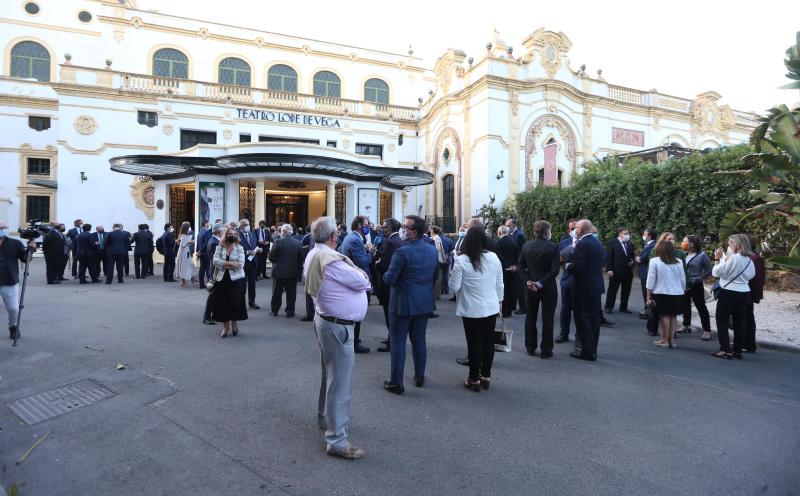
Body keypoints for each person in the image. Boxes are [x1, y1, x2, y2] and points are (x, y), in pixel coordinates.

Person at [305, 217, 370, 460]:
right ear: (334, 237)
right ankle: (337, 440)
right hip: (337, 326)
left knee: (330, 376)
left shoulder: (315, 254)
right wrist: (359, 270)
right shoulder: (331, 261)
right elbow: (363, 281)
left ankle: (326, 419)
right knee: (339, 383)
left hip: (327, 321)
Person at [382, 215, 439, 394]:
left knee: (398, 341)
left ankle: (396, 382)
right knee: (419, 339)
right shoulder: (432, 250)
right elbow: (435, 276)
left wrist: (384, 273)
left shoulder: (403, 252)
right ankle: (419, 376)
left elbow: (389, 278)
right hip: (423, 302)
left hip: (402, 302)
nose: (403, 229)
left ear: (414, 232)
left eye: (406, 227)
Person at [449, 226, 503, 392]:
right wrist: (500, 301)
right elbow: (499, 283)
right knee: (488, 342)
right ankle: (486, 375)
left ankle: (473, 378)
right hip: (491, 305)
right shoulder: (493, 257)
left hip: (471, 307)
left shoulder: (462, 260)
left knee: (474, 343)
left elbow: (453, 286)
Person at [518, 220, 560, 358]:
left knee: (530, 317)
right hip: (548, 287)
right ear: (547, 232)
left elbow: (520, 267)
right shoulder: (553, 247)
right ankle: (546, 350)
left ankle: (530, 346)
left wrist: (528, 281)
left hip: (530, 287)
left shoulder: (526, 245)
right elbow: (554, 271)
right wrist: (541, 282)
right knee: (548, 319)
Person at [711, 234, 756, 359]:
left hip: (729, 291)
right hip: (744, 291)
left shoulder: (735, 258)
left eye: (730, 244)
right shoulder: (749, 259)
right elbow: (752, 275)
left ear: (735, 245)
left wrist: (717, 259)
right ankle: (738, 350)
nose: (728, 247)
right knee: (740, 321)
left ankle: (725, 349)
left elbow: (716, 271)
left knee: (722, 320)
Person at [566, 219, 605, 361]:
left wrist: (568, 266)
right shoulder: (597, 242)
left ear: (580, 230)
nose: (574, 230)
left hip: (583, 287)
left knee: (582, 318)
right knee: (593, 318)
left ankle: (586, 351)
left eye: (576, 228)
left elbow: (579, 268)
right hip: (595, 285)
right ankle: (592, 348)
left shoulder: (582, 243)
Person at [339, 215, 375, 353]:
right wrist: (370, 253)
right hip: (356, 281)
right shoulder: (354, 239)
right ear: (360, 226)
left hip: (351, 279)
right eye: (367, 224)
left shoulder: (352, 237)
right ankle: (354, 342)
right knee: (357, 314)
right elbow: (361, 262)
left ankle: (353, 339)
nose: (368, 226)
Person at [645, 233, 687, 348]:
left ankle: (664, 340)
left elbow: (650, 280)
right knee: (673, 316)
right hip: (677, 293)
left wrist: (649, 295)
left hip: (661, 292)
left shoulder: (655, 261)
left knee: (663, 316)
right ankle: (672, 341)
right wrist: (682, 290)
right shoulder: (678, 261)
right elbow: (683, 279)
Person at [0, 220, 37, 339]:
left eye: (4, 227)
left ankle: (13, 326)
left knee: (13, 308)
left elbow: (25, 259)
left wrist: (31, 249)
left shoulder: (14, 243)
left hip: (9, 280)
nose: (2, 230)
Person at [211, 227, 247, 337]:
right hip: (221, 279)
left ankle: (234, 323)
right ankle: (225, 327)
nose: (233, 236)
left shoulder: (239, 248)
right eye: (230, 234)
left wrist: (224, 264)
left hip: (236, 280)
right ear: (225, 235)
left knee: (235, 303)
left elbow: (240, 264)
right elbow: (215, 262)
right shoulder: (219, 247)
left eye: (234, 234)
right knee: (222, 303)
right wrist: (231, 263)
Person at [375, 218, 404, 352]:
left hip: (388, 284)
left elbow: (385, 265)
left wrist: (377, 263)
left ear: (391, 228)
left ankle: (392, 342)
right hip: (393, 283)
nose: (382, 229)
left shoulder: (391, 242)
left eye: (384, 227)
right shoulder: (396, 240)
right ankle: (391, 338)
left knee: (389, 314)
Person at [679, 235, 712, 338]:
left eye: (685, 241)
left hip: (696, 285)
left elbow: (709, 270)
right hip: (684, 284)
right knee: (685, 305)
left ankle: (707, 331)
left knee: (701, 307)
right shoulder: (683, 254)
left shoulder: (702, 255)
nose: (682, 243)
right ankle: (686, 325)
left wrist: (700, 278)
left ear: (692, 244)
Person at [268, 224, 303, 317]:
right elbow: (301, 258)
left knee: (276, 292)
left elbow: (271, 257)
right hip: (292, 272)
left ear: (283, 232)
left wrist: (277, 262)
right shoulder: (297, 242)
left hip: (279, 271)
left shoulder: (277, 241)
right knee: (291, 293)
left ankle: (274, 310)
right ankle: (290, 311)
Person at [604, 228, 636, 314]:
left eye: (628, 233)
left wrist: (633, 262)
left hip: (628, 271)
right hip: (615, 271)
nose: (627, 235)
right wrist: (609, 269)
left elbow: (632, 256)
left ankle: (623, 307)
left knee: (626, 291)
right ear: (620, 234)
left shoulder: (630, 244)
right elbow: (609, 257)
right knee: (612, 290)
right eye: (626, 233)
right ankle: (609, 306)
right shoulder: (612, 243)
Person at [744, 235, 765, 353]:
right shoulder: (750, 257)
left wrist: (755, 296)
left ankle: (749, 344)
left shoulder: (754, 258)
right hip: (746, 292)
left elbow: (757, 280)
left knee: (747, 318)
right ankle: (744, 342)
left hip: (748, 293)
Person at [557, 229, 578, 343]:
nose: (574, 231)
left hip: (580, 282)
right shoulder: (564, 242)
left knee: (579, 310)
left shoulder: (586, 242)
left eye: (576, 228)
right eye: (572, 229)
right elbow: (559, 261)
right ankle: (563, 333)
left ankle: (578, 336)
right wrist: (560, 261)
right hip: (566, 280)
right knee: (565, 309)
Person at [236, 219, 261, 308]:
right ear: (241, 225)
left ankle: (252, 302)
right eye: (246, 224)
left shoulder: (252, 234)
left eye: (249, 224)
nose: (248, 226)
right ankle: (240, 302)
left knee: (252, 284)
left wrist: (258, 249)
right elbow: (235, 249)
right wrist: (247, 252)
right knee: (242, 284)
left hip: (253, 263)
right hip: (243, 263)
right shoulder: (237, 235)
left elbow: (255, 245)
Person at [496, 226, 519, 318]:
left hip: (503, 269)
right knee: (511, 289)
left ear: (500, 233)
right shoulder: (513, 241)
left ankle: (504, 311)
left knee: (504, 290)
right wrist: (514, 265)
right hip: (513, 269)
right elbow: (517, 255)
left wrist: (506, 266)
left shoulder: (498, 243)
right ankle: (510, 309)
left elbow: (499, 256)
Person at [203, 224, 224, 325]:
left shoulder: (214, 240)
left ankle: (212, 315)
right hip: (216, 271)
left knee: (215, 295)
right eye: (223, 231)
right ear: (219, 232)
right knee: (213, 295)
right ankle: (207, 317)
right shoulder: (215, 243)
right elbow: (218, 259)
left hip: (215, 270)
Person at [505, 218, 526, 314]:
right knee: (512, 287)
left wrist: (517, 265)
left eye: (508, 226)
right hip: (511, 264)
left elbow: (520, 252)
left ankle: (523, 307)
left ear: (513, 226)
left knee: (519, 287)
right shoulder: (510, 234)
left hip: (518, 265)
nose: (507, 227)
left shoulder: (520, 236)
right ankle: (513, 305)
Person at [636, 228, 657, 319]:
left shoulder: (652, 245)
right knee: (647, 292)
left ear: (650, 236)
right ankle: (647, 309)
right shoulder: (648, 244)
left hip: (646, 272)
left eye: (645, 234)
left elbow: (642, 258)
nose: (644, 236)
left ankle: (648, 311)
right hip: (645, 271)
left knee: (647, 293)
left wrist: (637, 258)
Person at [174, 221, 197, 287]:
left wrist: (189, 242)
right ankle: (183, 282)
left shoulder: (184, 235)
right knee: (183, 267)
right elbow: (182, 245)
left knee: (191, 264)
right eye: (188, 227)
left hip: (186, 252)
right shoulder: (183, 235)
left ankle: (192, 278)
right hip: (183, 253)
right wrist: (190, 242)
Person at [430, 226, 447, 300]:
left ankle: (437, 294)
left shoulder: (436, 238)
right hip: (437, 259)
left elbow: (438, 249)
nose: (430, 231)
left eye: (431, 230)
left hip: (437, 260)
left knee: (437, 278)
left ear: (433, 231)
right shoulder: (435, 237)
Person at [196, 220, 212, 288]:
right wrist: (200, 251)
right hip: (205, 253)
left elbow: (198, 243)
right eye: (208, 223)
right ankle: (209, 285)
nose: (209, 224)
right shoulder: (206, 232)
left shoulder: (200, 231)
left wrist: (198, 251)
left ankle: (201, 284)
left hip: (201, 253)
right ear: (205, 224)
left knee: (202, 269)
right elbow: (206, 243)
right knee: (208, 269)